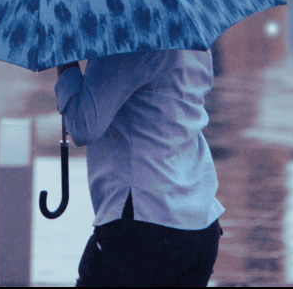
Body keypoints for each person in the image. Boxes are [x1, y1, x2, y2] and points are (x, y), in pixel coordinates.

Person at [54, 51, 224, 287]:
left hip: (145, 221)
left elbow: (83, 125)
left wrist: (65, 62)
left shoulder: (126, 48)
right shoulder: (196, 47)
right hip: (199, 221)